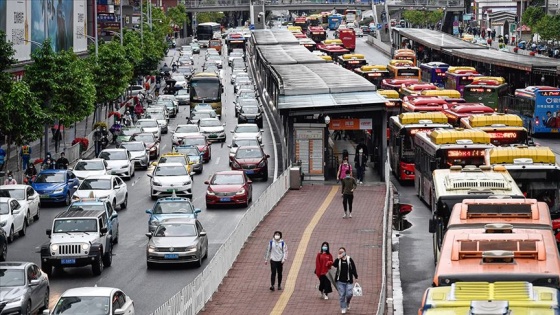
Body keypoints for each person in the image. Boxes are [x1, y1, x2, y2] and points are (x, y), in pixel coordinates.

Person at [331, 247, 358, 314]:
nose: (341, 253)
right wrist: (338, 258)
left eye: (342, 252)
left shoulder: (349, 259)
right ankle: (343, 307)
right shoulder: (338, 260)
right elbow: (334, 265)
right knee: (342, 295)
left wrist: (355, 275)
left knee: (349, 294)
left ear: (345, 252)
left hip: (348, 281)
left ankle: (348, 302)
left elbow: (353, 267)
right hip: (340, 281)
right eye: (340, 252)